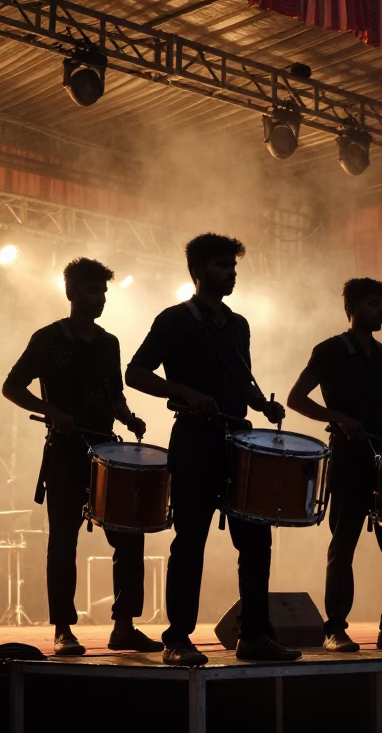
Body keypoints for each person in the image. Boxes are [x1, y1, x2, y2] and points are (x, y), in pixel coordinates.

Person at [126, 232, 301, 668]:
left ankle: (255, 636)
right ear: (200, 271)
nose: (232, 273)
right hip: (194, 437)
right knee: (191, 540)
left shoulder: (238, 323)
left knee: (257, 540)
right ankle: (178, 637)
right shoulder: (174, 319)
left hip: (238, 440)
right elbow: (135, 372)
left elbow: (243, 378)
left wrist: (261, 402)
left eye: (234, 266)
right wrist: (185, 391)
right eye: (224, 266)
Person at [3, 257, 161, 658]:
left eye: (104, 291)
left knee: (130, 535)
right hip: (66, 453)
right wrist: (51, 411)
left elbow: (114, 393)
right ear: (71, 292)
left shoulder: (109, 343)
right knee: (63, 541)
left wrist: (128, 416)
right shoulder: (47, 338)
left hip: (106, 451)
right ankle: (63, 629)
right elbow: (11, 386)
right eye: (93, 290)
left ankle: (123, 626)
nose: (101, 298)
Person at [287, 278, 382, 654]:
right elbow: (295, 399)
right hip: (349, 458)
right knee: (344, 545)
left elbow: (381, 408)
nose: (381, 311)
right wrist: (338, 417)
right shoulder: (329, 350)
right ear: (351, 310)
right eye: (373, 305)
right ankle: (335, 628)